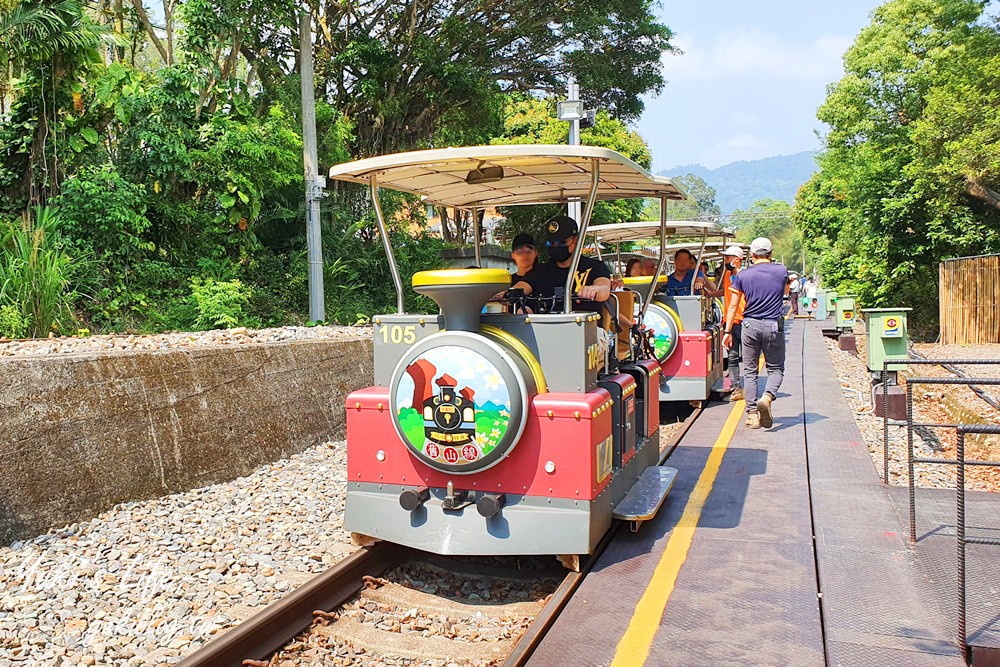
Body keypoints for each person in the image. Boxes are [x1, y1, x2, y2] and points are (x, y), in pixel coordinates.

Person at [722, 237, 789, 430]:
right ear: (771, 253)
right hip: (773, 325)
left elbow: (734, 305)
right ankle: (767, 397)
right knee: (776, 369)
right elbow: (785, 289)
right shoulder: (781, 271)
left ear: (751, 255)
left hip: (749, 325)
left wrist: (727, 331)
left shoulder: (743, 275)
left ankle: (752, 415)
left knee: (750, 371)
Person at [511, 215, 612, 314]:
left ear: (576, 241)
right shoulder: (540, 271)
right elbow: (518, 290)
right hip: (547, 328)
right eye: (551, 243)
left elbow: (604, 289)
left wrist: (595, 289)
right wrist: (503, 294)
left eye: (561, 242)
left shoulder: (595, 267)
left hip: (588, 328)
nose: (556, 246)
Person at [717, 245, 746, 401]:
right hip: (730, 321)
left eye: (727, 258)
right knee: (733, 356)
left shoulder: (747, 275)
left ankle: (751, 388)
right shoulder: (728, 275)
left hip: (744, 320)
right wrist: (710, 294)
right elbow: (725, 292)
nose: (725, 260)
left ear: (737, 259)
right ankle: (736, 388)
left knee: (748, 357)